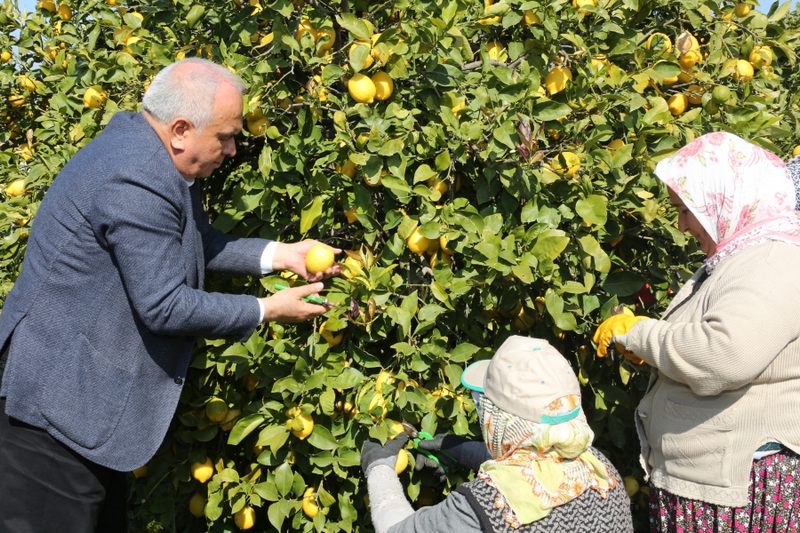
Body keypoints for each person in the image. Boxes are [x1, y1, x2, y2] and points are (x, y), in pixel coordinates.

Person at [0, 58, 339, 532]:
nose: (234, 150)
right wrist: (267, 309)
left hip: (82, 405)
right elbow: (165, 304)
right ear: (180, 129)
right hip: (57, 409)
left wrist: (282, 254)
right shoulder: (135, 177)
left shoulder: (151, 153)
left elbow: (192, 241)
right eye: (225, 136)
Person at [593, 131, 800, 531]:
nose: (682, 225)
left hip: (737, 490)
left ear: (725, 198)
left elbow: (724, 355)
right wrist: (658, 352)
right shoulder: (744, 253)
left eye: (686, 210)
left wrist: (639, 334)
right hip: (714, 485)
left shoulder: (774, 257)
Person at [360, 336, 633, 532]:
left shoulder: (488, 506)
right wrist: (461, 450)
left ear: (502, 420)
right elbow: (538, 468)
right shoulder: (600, 469)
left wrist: (379, 467)